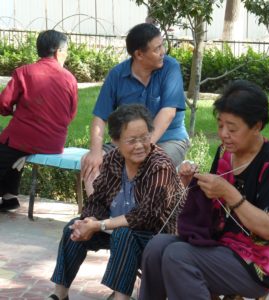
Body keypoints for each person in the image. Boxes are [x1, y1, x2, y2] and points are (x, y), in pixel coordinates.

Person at [139, 80, 269, 300]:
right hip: (219, 245)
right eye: (220, 125)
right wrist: (191, 183)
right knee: (156, 248)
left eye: (232, 128)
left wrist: (229, 192)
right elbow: (211, 206)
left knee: (177, 256)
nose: (223, 134)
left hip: (258, 264)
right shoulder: (225, 152)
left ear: (257, 126)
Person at [49, 104, 185, 300]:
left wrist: (100, 224)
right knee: (73, 228)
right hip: (118, 229)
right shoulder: (114, 159)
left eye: (144, 137)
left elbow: (146, 216)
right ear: (116, 141)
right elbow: (98, 199)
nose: (140, 145)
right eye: (131, 140)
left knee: (124, 234)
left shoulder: (159, 165)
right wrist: (88, 221)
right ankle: (59, 295)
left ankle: (121, 297)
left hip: (156, 236)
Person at [81, 22, 189, 193]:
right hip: (127, 141)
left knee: (151, 165)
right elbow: (100, 117)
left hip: (169, 139)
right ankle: (95, 215)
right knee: (92, 163)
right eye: (157, 49)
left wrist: (143, 148)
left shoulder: (170, 67)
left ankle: (138, 219)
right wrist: (95, 152)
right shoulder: (117, 74)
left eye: (162, 46)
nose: (163, 52)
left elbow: (168, 113)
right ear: (139, 54)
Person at [0, 29, 78, 211]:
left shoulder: (24, 72)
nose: (66, 54)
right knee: (13, 149)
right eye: (66, 50)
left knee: (7, 144)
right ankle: (10, 198)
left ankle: (9, 196)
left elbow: (3, 104)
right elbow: (71, 114)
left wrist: (15, 112)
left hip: (24, 139)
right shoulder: (70, 79)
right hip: (54, 143)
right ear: (58, 51)